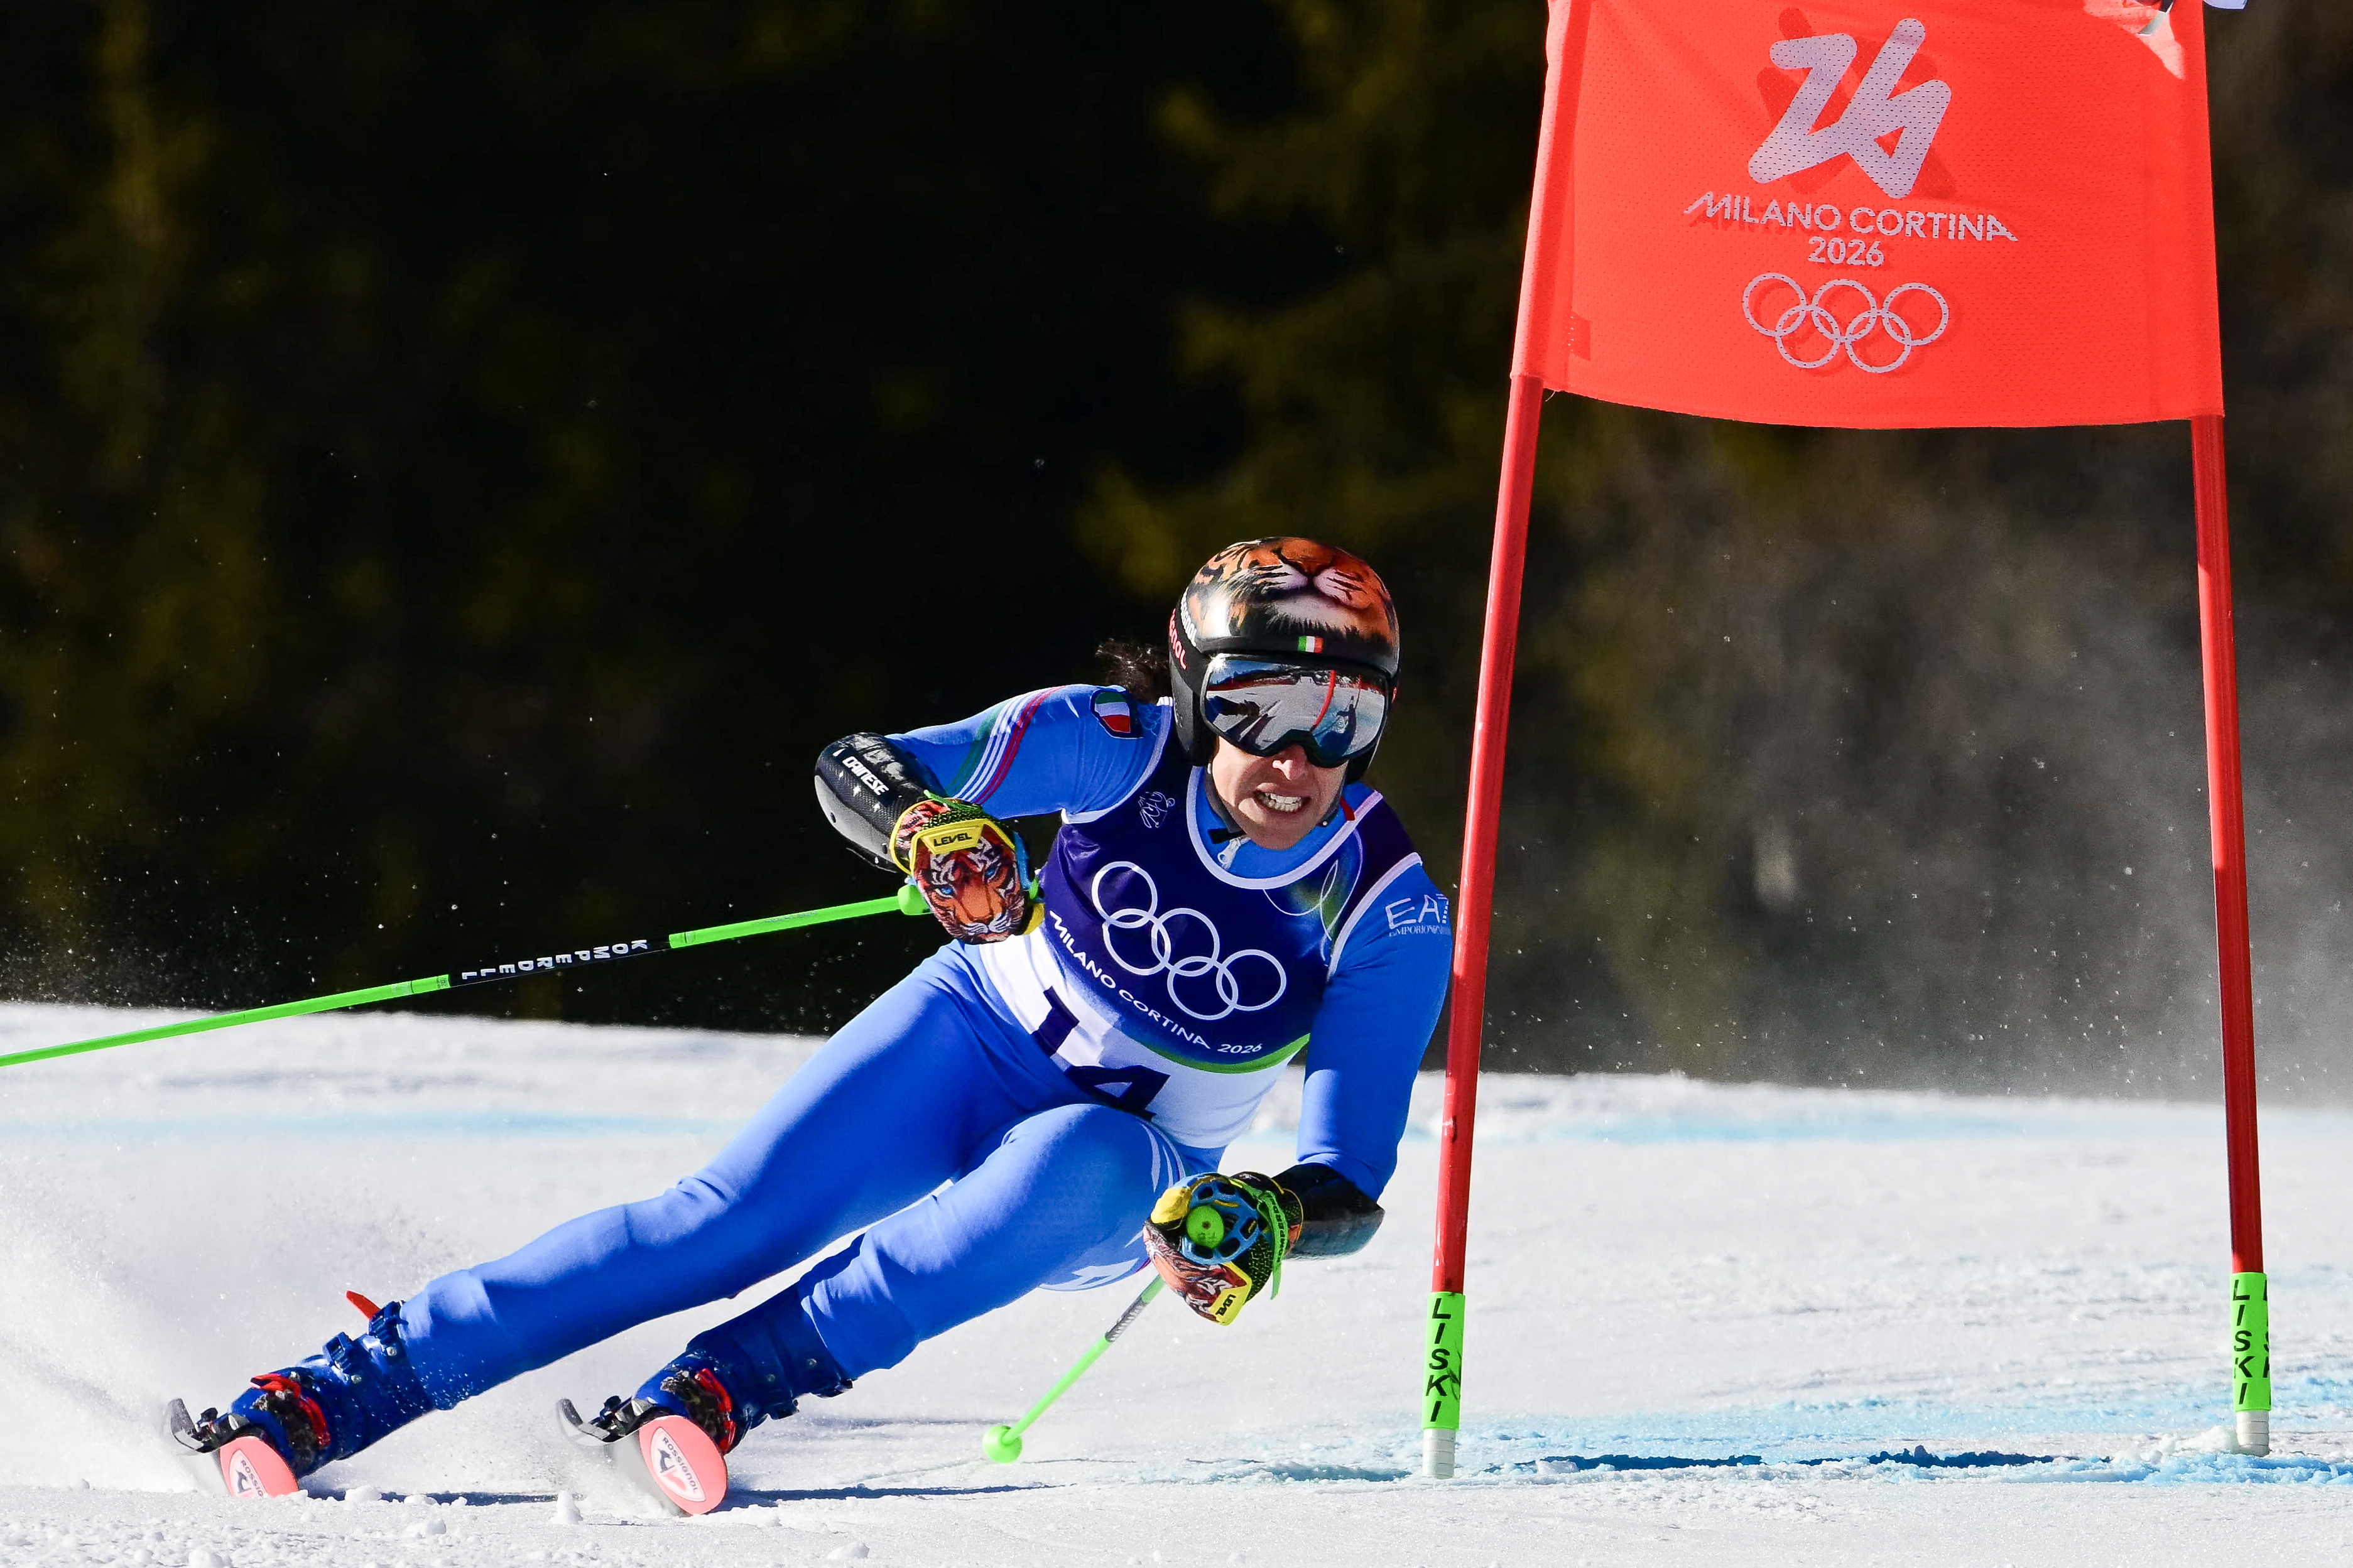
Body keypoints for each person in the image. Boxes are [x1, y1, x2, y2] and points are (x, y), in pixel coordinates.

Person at [173, 538, 1454, 1509]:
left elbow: (1350, 1176)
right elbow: (868, 761)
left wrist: (1265, 1220)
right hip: (974, 1032)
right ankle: (339, 1390)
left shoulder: (1383, 908)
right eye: (1261, 710)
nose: (1296, 760)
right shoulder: (1111, 745)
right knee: (715, 1224)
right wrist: (927, 826)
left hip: (1129, 1166)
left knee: (1092, 1158)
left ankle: (729, 1384)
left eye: (1343, 721)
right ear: (1191, 691)